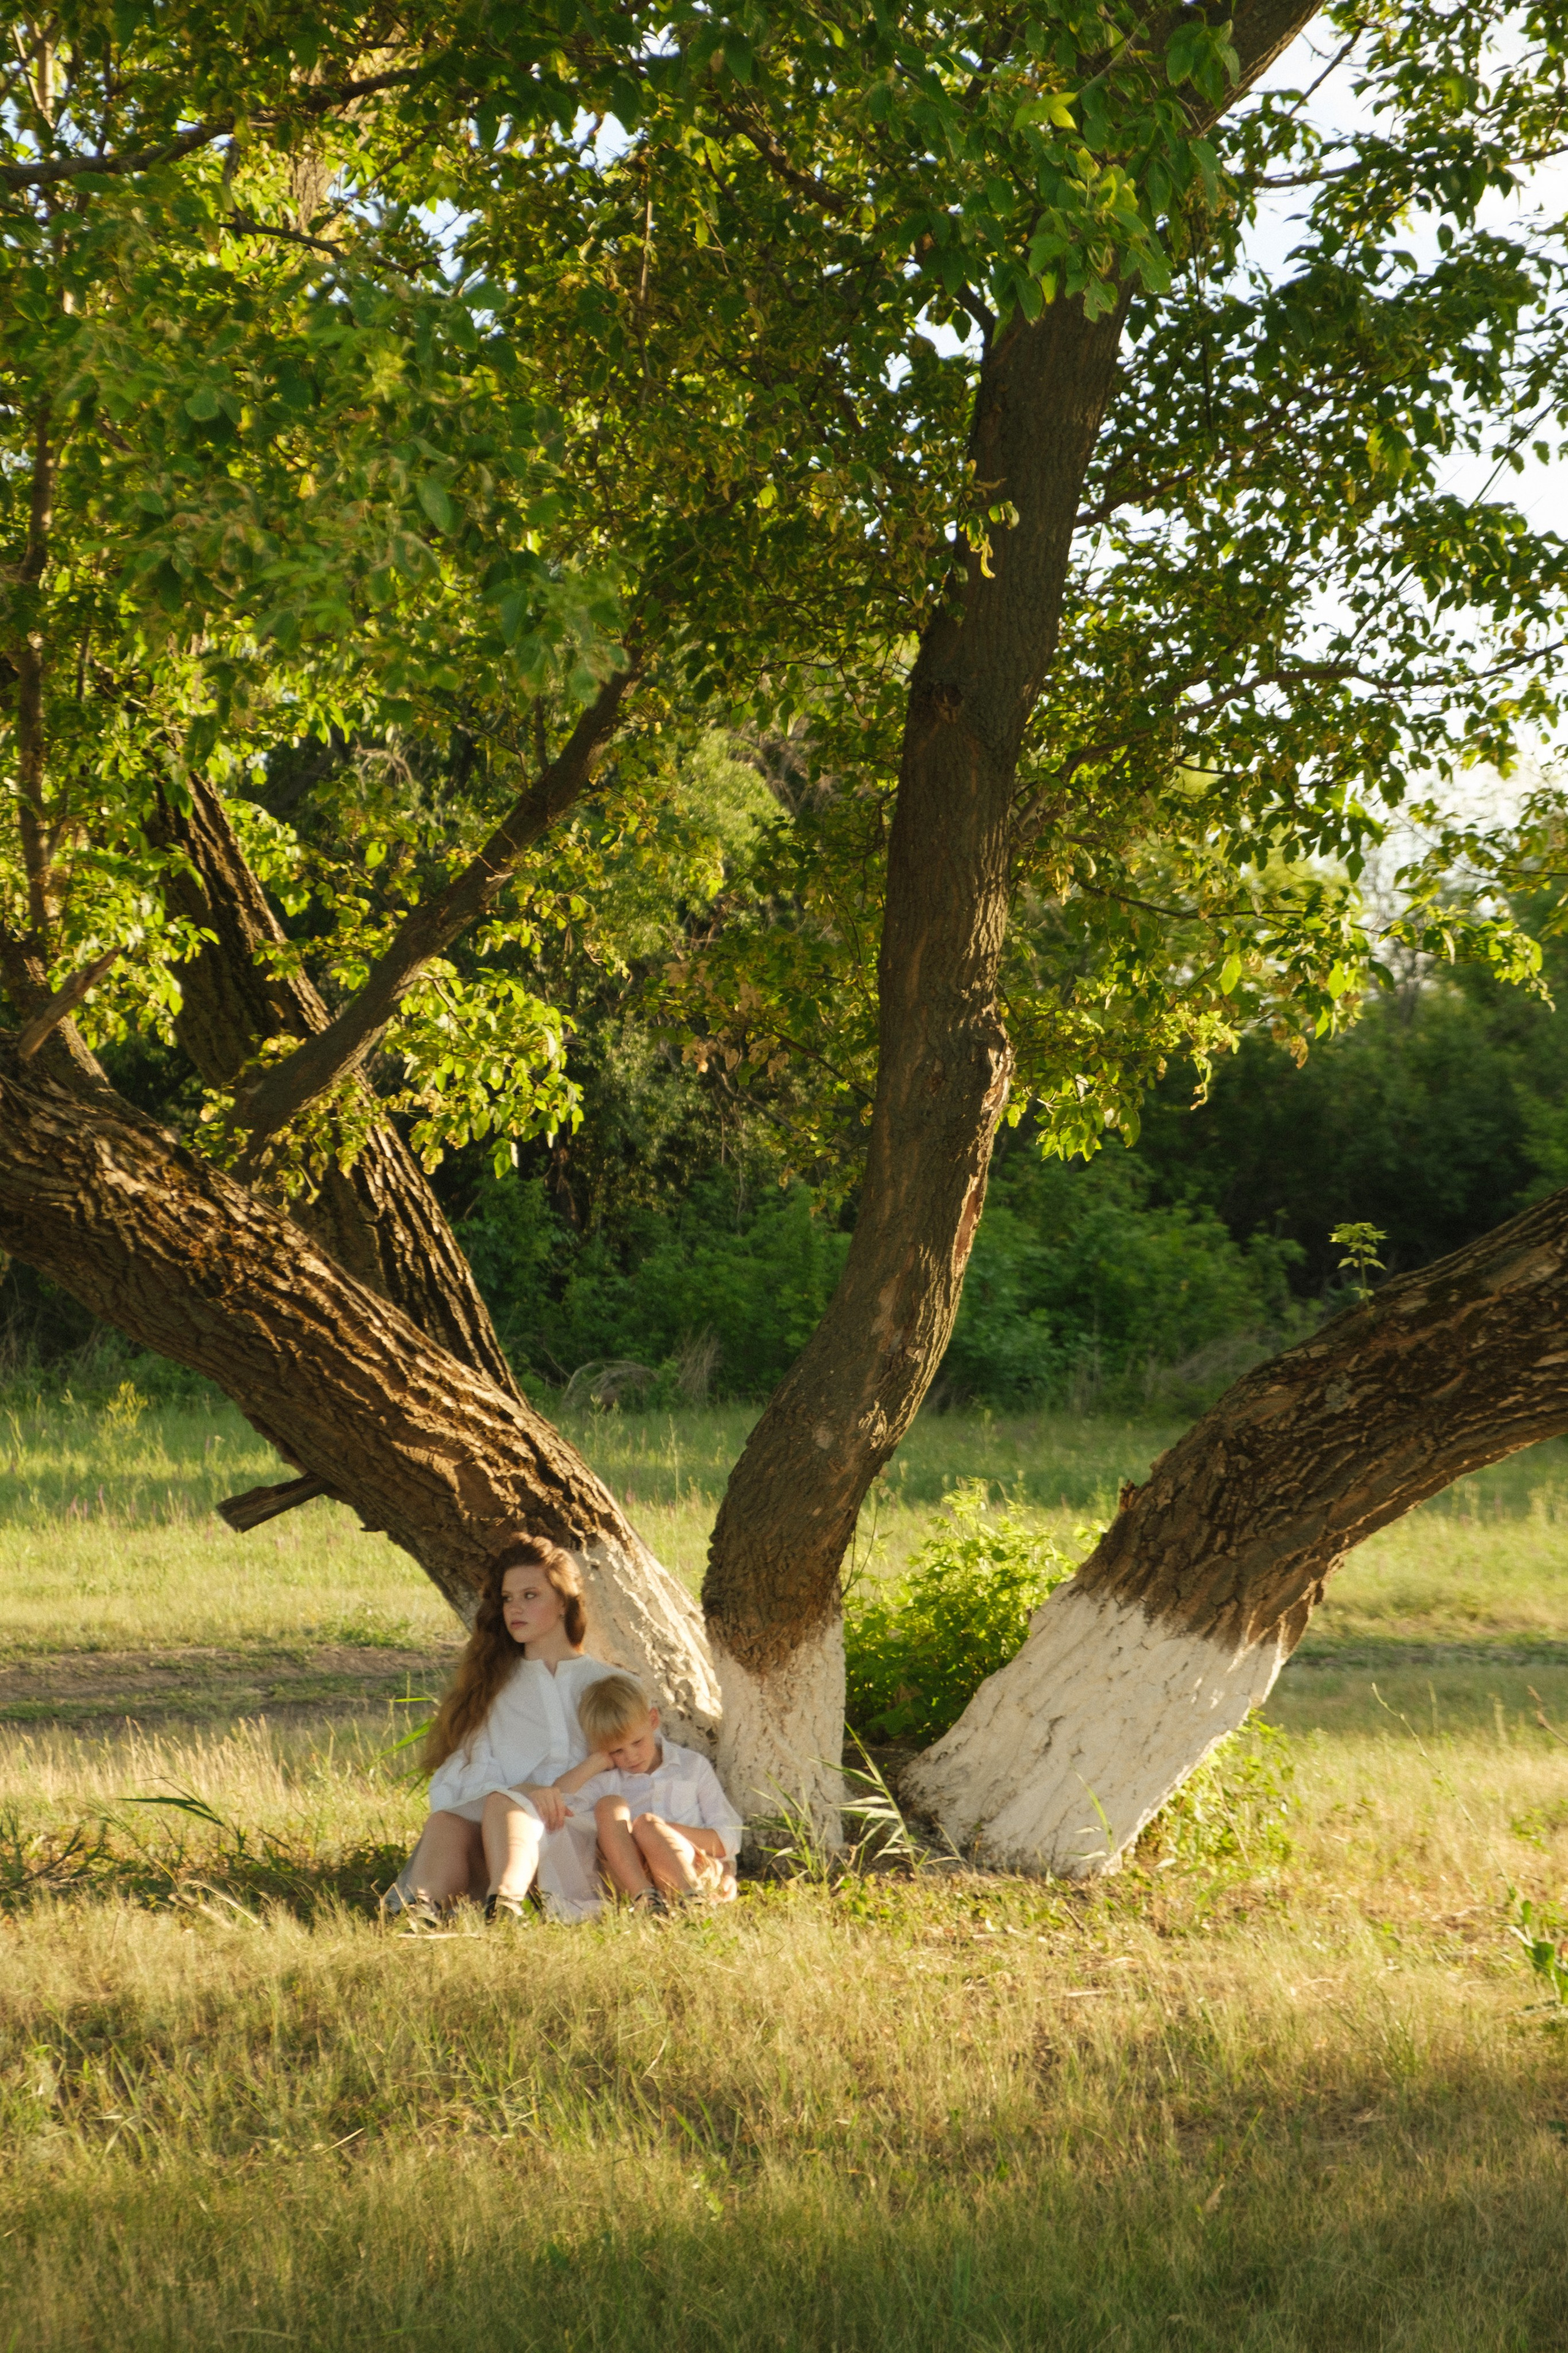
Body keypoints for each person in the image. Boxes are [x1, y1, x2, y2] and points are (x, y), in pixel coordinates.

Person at [383, 1536, 612, 1926]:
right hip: (502, 1840)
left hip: (583, 1835)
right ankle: (420, 1913)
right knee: (449, 1821)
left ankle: (504, 1906)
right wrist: (522, 1795)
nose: (515, 1609)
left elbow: (638, 1767)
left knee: (510, 1810)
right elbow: (460, 1781)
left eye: (530, 1595)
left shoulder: (608, 1682)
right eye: (507, 1599)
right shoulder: (491, 1688)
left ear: (563, 1602)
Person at [554, 1671, 743, 1911]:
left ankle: (692, 1902)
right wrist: (598, 1762)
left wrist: (662, 1831)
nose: (631, 1757)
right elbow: (560, 1799)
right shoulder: (609, 1779)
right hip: (632, 1875)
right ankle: (645, 1900)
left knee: (647, 1825)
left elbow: (727, 1837)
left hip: (691, 1868)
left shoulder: (692, 1767)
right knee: (609, 1805)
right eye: (617, 1751)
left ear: (653, 1720)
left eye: (637, 1742)